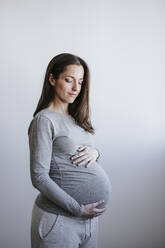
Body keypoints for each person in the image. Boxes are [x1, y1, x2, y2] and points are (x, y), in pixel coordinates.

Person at [28, 53, 112, 248]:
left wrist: (97, 152)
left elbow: (79, 158)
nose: (76, 88)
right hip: (59, 220)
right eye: (69, 80)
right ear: (52, 79)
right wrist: (77, 208)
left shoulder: (78, 119)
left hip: (89, 221)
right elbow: (38, 177)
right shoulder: (44, 120)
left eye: (80, 82)